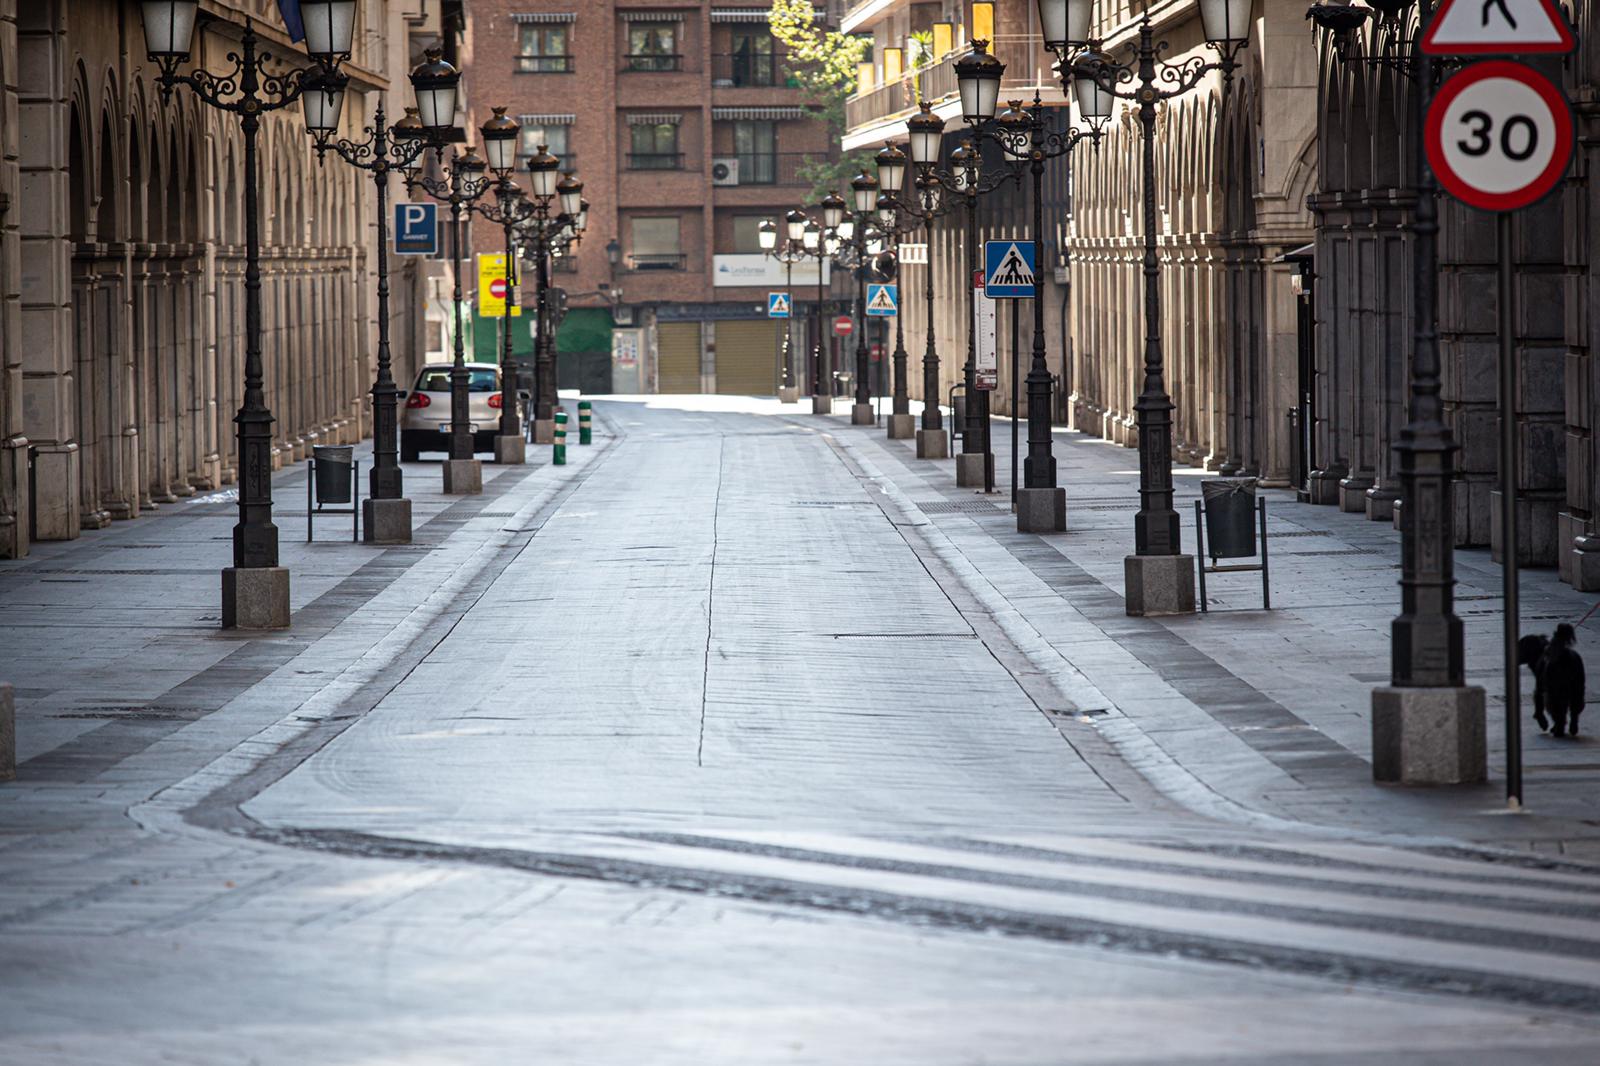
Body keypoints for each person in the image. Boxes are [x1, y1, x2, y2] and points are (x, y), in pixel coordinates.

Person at [1539, 624, 1586, 738]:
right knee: (1576, 693)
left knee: (1554, 697)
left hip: (1555, 676)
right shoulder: (1574, 656)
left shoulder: (1552, 648)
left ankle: (1559, 724)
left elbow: (1548, 655)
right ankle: (1573, 719)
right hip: (1574, 672)